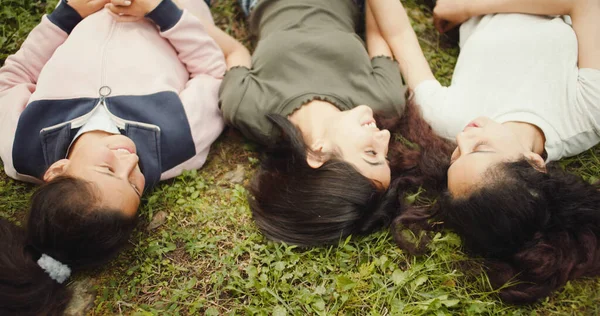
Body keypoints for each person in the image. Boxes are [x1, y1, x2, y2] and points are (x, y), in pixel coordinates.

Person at [0, 0, 227, 313]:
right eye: (135, 184)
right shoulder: (178, 144)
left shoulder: (20, 147)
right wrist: (161, 11)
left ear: (57, 170)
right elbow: (214, 73)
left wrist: (70, 13)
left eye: (108, 169)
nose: (130, 161)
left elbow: (12, 78)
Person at [368, 0, 600, 304]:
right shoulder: (585, 112)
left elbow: (398, 34)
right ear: (534, 163)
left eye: (456, 155)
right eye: (479, 149)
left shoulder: (448, 119)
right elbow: (585, 4)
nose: (464, 137)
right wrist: (468, 9)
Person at [219, 0, 427, 246]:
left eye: (371, 152)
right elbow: (377, 29)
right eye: (386, 155)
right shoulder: (384, 100)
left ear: (318, 153)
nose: (385, 137)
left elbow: (235, 53)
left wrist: (170, 13)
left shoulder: (248, 107)